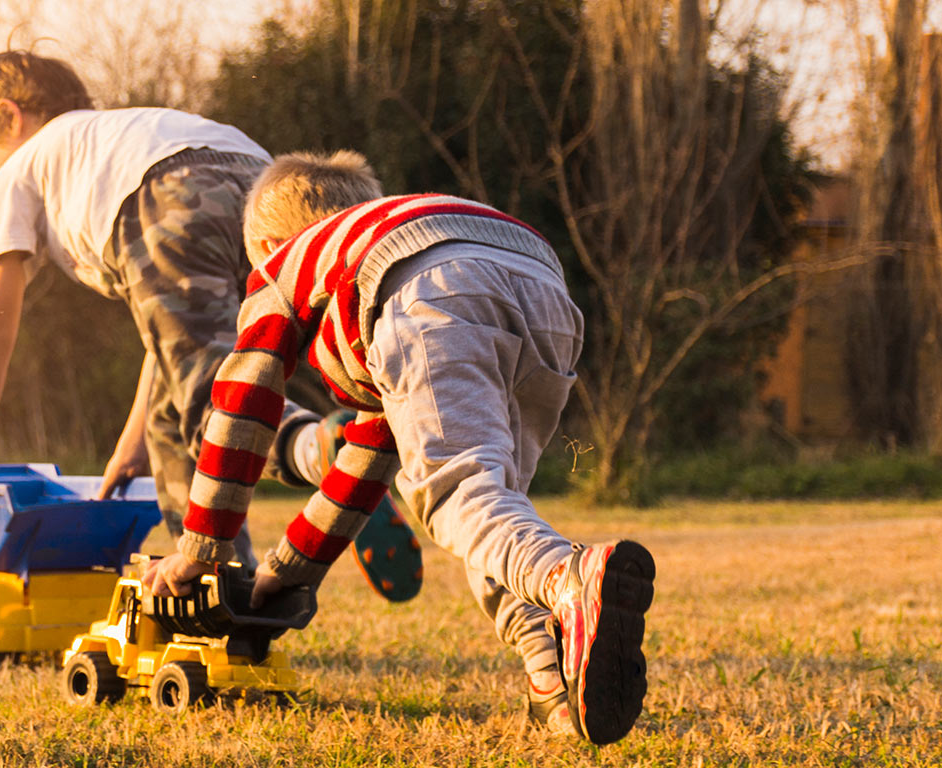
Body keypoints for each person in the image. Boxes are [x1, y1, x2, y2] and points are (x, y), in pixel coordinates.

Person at [141, 151, 657, 745]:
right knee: (490, 506)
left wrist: (202, 547)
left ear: (266, 242)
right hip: (545, 287)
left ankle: (568, 575)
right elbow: (360, 468)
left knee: (457, 494)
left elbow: (240, 401)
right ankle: (553, 686)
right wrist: (280, 582)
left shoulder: (288, 261)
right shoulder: (372, 243)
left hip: (436, 292)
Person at [0, 52, 419, 593]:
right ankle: (226, 587)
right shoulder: (112, 137)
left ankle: (317, 451)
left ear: (10, 116)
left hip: (170, 191)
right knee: (182, 413)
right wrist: (132, 444)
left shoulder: (24, 164)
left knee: (218, 410)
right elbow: (171, 340)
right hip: (263, 183)